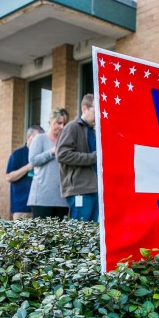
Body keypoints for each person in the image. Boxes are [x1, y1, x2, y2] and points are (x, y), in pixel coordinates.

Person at [56, 94, 99, 222]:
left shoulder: (94, 130)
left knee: (91, 233)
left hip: (94, 189)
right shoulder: (72, 127)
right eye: (95, 111)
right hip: (79, 190)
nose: (98, 116)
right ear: (84, 109)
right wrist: (93, 157)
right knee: (78, 234)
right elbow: (62, 154)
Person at [27, 108, 70, 219]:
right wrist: (51, 152)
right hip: (42, 198)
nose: (62, 127)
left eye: (64, 124)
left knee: (59, 235)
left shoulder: (66, 141)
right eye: (59, 123)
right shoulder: (39, 139)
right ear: (50, 121)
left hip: (62, 199)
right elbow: (33, 161)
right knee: (41, 235)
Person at [6, 125, 44, 220]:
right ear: (28, 137)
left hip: (41, 205)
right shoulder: (18, 154)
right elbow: (9, 177)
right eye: (37, 139)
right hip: (22, 207)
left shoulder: (43, 155)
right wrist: (28, 167)